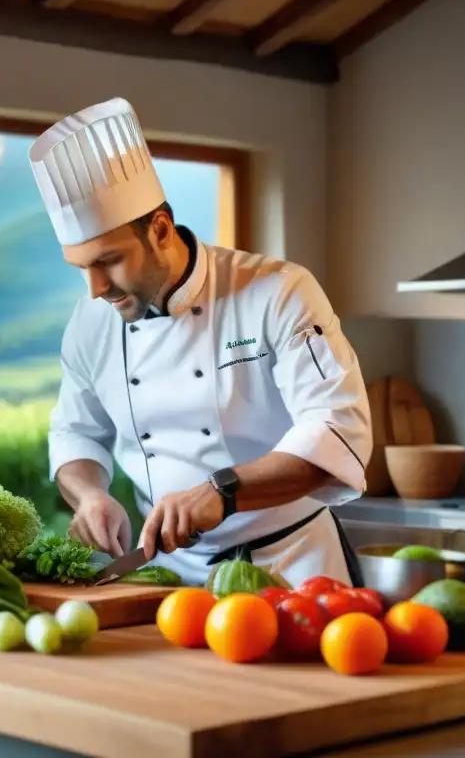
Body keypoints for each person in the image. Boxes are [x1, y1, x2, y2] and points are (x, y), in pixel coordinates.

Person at [27, 97, 372, 589]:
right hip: (167, 579)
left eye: (108, 261)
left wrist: (222, 491)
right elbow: (76, 434)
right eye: (81, 267)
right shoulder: (90, 322)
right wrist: (89, 497)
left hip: (292, 567)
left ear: (161, 229)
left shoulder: (278, 291)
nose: (96, 288)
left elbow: (338, 431)